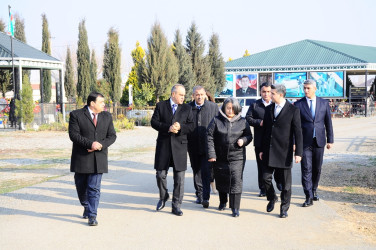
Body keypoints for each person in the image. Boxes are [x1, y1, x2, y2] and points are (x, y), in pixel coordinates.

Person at [69, 92, 117, 226]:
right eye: (101, 102)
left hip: (99, 158)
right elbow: (74, 135)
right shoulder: (76, 115)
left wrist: (100, 145)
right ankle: (86, 206)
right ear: (92, 103)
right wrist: (90, 144)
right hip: (82, 158)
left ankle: (92, 215)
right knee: (81, 187)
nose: (104, 104)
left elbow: (112, 136)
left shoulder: (107, 116)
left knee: (94, 188)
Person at [259, 84, 303, 218]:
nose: (269, 95)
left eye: (272, 93)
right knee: (265, 178)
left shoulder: (293, 110)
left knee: (285, 185)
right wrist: (261, 149)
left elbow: (298, 132)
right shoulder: (269, 109)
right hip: (268, 149)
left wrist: (299, 153)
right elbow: (265, 131)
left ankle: (284, 208)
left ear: (281, 95)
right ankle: (272, 197)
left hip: (284, 151)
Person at [151, 84, 194, 216]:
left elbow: (191, 126)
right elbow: (154, 122)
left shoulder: (187, 108)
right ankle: (163, 196)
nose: (183, 97)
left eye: (184, 95)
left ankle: (176, 206)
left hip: (180, 146)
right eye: (181, 95)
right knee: (160, 175)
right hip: (164, 146)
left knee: (179, 179)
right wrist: (168, 128)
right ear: (173, 94)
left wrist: (180, 127)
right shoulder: (161, 106)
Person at [207, 97, 252, 217]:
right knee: (221, 179)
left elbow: (249, 136)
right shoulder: (216, 120)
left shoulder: (242, 121)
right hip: (220, 157)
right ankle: (223, 202)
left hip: (237, 157)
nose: (230, 110)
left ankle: (235, 207)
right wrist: (212, 154)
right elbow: (209, 136)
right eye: (228, 108)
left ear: (237, 109)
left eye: (233, 108)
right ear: (224, 108)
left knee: (236, 181)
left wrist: (243, 140)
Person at [294, 79, 334, 207]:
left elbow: (328, 122)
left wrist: (330, 140)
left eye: (308, 88)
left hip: (319, 141)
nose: (306, 90)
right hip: (304, 142)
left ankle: (314, 189)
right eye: (304, 88)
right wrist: (295, 142)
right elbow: (295, 126)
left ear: (315, 89)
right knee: (306, 169)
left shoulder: (324, 103)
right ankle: (308, 196)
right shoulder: (298, 105)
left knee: (317, 168)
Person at [245, 82, 282, 197]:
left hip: (275, 140)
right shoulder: (255, 105)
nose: (266, 94)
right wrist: (258, 122)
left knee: (276, 163)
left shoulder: (277, 104)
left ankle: (279, 181)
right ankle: (263, 188)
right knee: (261, 166)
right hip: (260, 140)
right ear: (260, 92)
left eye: (268, 92)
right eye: (263, 92)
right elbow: (248, 118)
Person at [188, 86, 219, 208]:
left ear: (205, 95)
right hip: (193, 145)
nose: (199, 97)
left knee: (207, 171)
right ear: (193, 95)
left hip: (208, 145)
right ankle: (199, 194)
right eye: (197, 94)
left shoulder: (213, 107)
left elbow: (218, 125)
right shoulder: (188, 108)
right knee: (196, 170)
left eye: (201, 94)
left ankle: (205, 197)